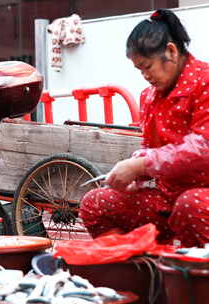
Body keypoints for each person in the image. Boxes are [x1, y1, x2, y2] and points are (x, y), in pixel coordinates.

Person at [79, 9, 209, 248]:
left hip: (200, 198)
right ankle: (146, 272)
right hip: (165, 198)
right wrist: (135, 177)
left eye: (148, 67)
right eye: (140, 69)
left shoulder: (205, 81)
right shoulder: (148, 96)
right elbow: (149, 148)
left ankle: (194, 279)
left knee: (190, 206)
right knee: (95, 203)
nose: (145, 76)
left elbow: (203, 148)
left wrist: (141, 165)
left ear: (171, 51)